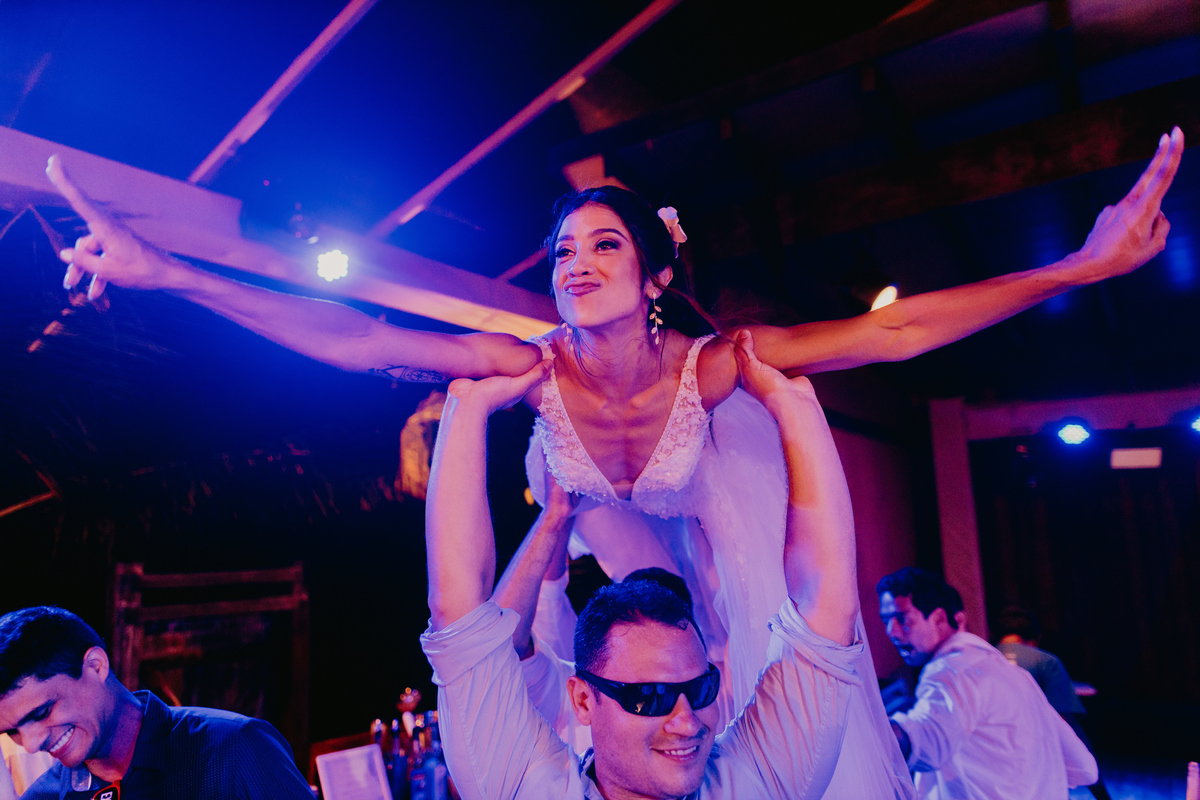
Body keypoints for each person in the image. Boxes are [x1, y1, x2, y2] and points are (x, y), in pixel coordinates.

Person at [43, 126, 1184, 797]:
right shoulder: (532, 366)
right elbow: (355, 338)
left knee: (762, 626)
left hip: (724, 501)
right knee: (587, 611)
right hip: (612, 523)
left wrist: (1076, 269)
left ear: (653, 275)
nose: (576, 264)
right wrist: (171, 273)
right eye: (561, 252)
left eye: (604, 245)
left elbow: (893, 332)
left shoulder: (716, 366)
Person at [420, 330, 864, 799]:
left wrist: (796, 407)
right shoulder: (531, 790)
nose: (687, 721)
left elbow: (826, 611)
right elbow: (460, 615)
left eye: (700, 689)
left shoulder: (753, 781)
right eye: (649, 697)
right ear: (584, 700)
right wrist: (467, 410)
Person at [0, 607, 314, 800]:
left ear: (96, 666)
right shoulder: (44, 797)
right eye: (12, 731)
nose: (31, 744)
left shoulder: (236, 749)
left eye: (42, 712)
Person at [878, 568, 1098, 800]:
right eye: (885, 621)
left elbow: (927, 740)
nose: (892, 632)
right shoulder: (1016, 676)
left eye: (902, 619)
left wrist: (867, 727)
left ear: (940, 618)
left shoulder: (952, 670)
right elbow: (1085, 768)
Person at [993, 607, 1112, 800]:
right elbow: (1063, 719)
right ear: (1036, 638)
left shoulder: (979, 660)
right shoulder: (1046, 661)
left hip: (992, 754)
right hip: (1035, 755)